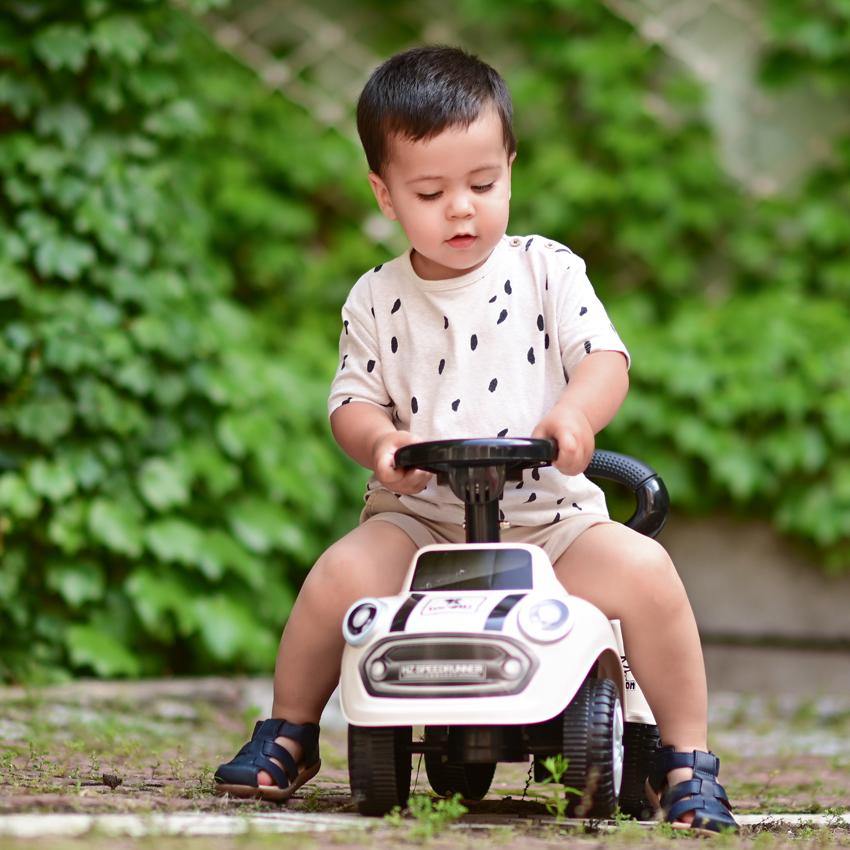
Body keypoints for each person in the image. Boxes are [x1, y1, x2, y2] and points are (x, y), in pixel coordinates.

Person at [214, 45, 737, 834]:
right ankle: (289, 729)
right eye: (432, 192)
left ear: (511, 170)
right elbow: (351, 401)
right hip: (422, 524)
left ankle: (684, 757)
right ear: (386, 194)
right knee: (337, 576)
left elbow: (605, 358)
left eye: (483, 185)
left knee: (648, 574)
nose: (461, 209)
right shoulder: (376, 297)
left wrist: (576, 415)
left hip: (547, 523)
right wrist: (380, 442)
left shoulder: (547, 271)